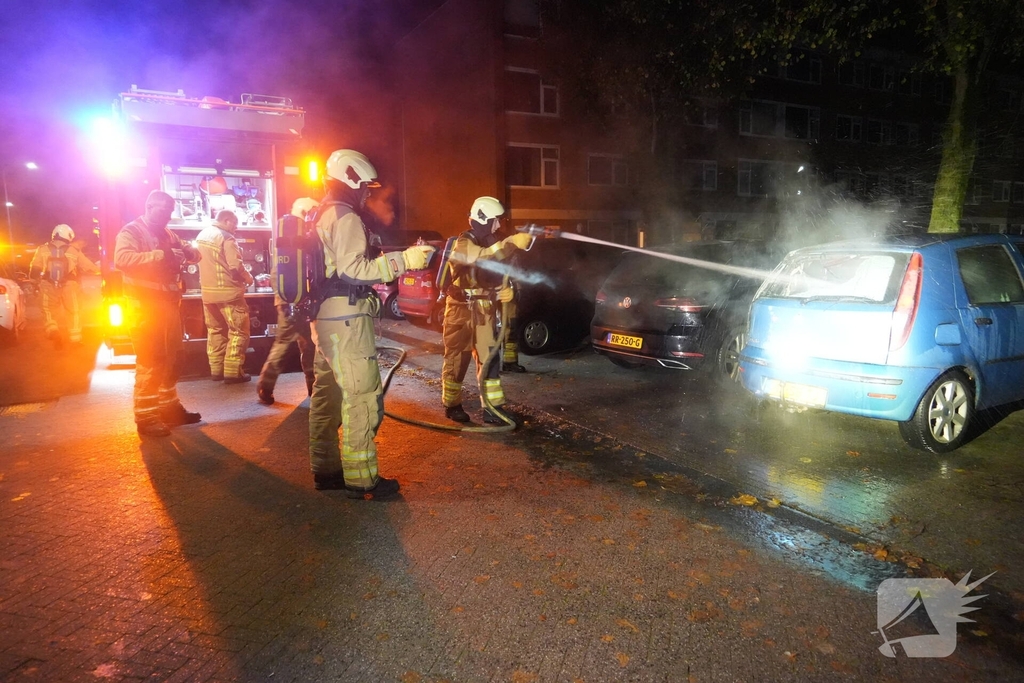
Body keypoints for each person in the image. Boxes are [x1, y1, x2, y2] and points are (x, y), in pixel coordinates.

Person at [308, 149, 434, 497]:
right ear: (349, 179)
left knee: (328, 396)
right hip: (347, 320)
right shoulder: (344, 216)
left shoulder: (320, 214)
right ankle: (362, 480)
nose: (366, 193)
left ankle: (326, 469)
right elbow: (354, 271)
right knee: (362, 397)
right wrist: (405, 260)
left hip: (325, 318)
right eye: (364, 186)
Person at [114, 190, 203, 437]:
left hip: (167, 304)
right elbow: (121, 259)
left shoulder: (167, 233)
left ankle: (169, 410)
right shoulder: (131, 231)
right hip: (144, 306)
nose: (168, 215)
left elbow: (192, 253)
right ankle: (146, 417)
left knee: (173, 358)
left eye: (171, 211)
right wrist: (160, 255)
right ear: (150, 206)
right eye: (164, 210)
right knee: (151, 359)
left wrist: (190, 252)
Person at [440, 196, 532, 424]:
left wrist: (508, 290)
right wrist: (511, 243)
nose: (499, 225)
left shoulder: (492, 244)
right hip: (460, 310)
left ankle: (492, 409)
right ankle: (452, 405)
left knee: (489, 360)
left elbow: (501, 273)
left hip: (484, 310)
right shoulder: (463, 243)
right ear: (482, 219)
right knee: (457, 360)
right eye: (495, 221)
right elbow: (482, 259)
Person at [256, 198, 318, 405]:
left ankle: (267, 387)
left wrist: (281, 298)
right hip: (298, 301)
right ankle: (311, 388)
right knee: (304, 347)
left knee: (297, 345)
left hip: (287, 300)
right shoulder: (300, 240)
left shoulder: (286, 239)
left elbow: (277, 271)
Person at [196, 210, 254, 383]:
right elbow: (235, 265)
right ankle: (233, 372)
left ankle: (216, 370)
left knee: (215, 331)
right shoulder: (226, 238)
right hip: (229, 294)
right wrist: (248, 278)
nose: (236, 228)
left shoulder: (203, 235)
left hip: (207, 294)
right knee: (238, 331)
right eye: (235, 223)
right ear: (227, 221)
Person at [29, 224, 99, 346]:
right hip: (70, 285)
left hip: (48, 284)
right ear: (69, 236)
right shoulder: (73, 250)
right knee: (74, 311)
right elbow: (88, 267)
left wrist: (35, 282)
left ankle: (52, 329)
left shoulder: (42, 249)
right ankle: (76, 339)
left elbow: (34, 269)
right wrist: (100, 269)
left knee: (47, 308)